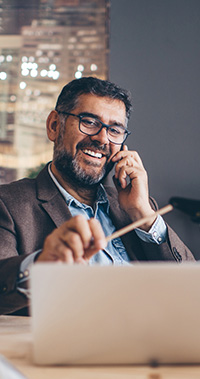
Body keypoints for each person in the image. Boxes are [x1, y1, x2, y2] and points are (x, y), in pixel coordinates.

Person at [0, 77, 194, 315]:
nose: (102, 139)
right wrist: (42, 265)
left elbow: (190, 289)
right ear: (54, 125)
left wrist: (144, 214)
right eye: (89, 122)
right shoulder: (8, 204)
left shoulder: (138, 209)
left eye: (114, 130)